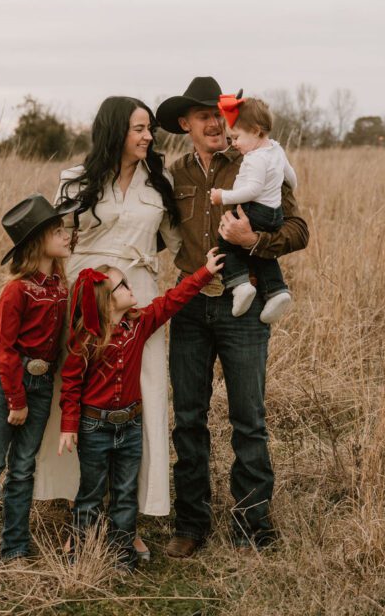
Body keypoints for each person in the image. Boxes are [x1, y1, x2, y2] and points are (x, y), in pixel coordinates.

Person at [155, 76, 309, 555]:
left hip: (244, 306)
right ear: (186, 125)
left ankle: (252, 525)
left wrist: (254, 243)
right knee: (187, 418)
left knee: (248, 418)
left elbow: (299, 229)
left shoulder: (256, 160)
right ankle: (191, 524)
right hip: (190, 305)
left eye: (222, 118)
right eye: (205, 117)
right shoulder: (173, 174)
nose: (218, 125)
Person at [33, 97, 181, 561]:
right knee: (77, 403)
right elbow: (56, 242)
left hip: (137, 297)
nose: (148, 137)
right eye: (139, 128)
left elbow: (179, 242)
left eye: (150, 129)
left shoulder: (159, 184)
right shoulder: (75, 181)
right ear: (116, 130)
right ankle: (81, 515)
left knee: (143, 399)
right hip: (86, 300)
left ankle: (128, 520)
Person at [58, 248, 223, 570]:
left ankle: (122, 553)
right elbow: (71, 384)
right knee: (91, 493)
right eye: (122, 285)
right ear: (106, 302)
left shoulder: (140, 325)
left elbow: (173, 300)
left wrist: (203, 272)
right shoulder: (87, 341)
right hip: (95, 427)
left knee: (124, 493)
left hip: (130, 426)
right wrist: (68, 426)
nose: (130, 288)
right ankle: (80, 552)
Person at [0, 194, 78, 565]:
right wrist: (16, 399)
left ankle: (15, 545)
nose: (66, 236)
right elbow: (4, 347)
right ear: (37, 240)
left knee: (24, 465)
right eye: (58, 231)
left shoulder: (60, 289)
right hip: (9, 383)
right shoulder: (16, 290)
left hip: (42, 384)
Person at [210, 93, 297, 323]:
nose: (234, 143)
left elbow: (252, 190)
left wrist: (223, 196)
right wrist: (283, 188)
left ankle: (240, 284)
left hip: (257, 209)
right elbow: (291, 178)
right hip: (274, 213)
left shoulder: (255, 158)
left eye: (237, 137)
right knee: (259, 251)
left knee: (226, 239)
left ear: (257, 131)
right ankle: (277, 291)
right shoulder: (276, 150)